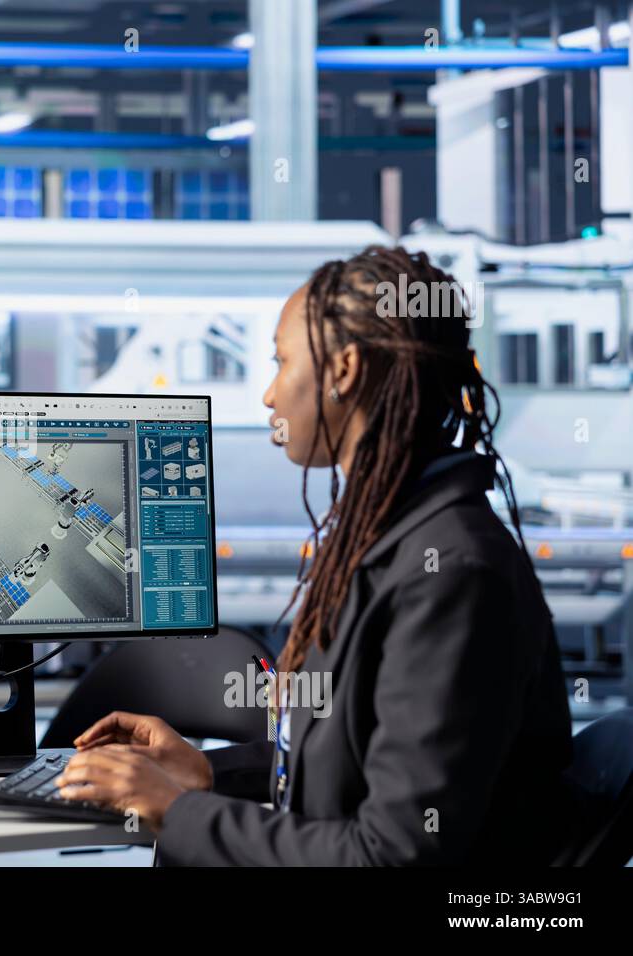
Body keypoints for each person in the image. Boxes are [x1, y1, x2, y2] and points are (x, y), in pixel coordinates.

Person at [56, 245, 580, 865]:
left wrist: (180, 811)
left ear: (344, 370)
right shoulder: (391, 539)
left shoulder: (451, 575)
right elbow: (346, 765)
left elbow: (393, 854)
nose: (270, 395)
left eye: (281, 362)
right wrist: (201, 774)